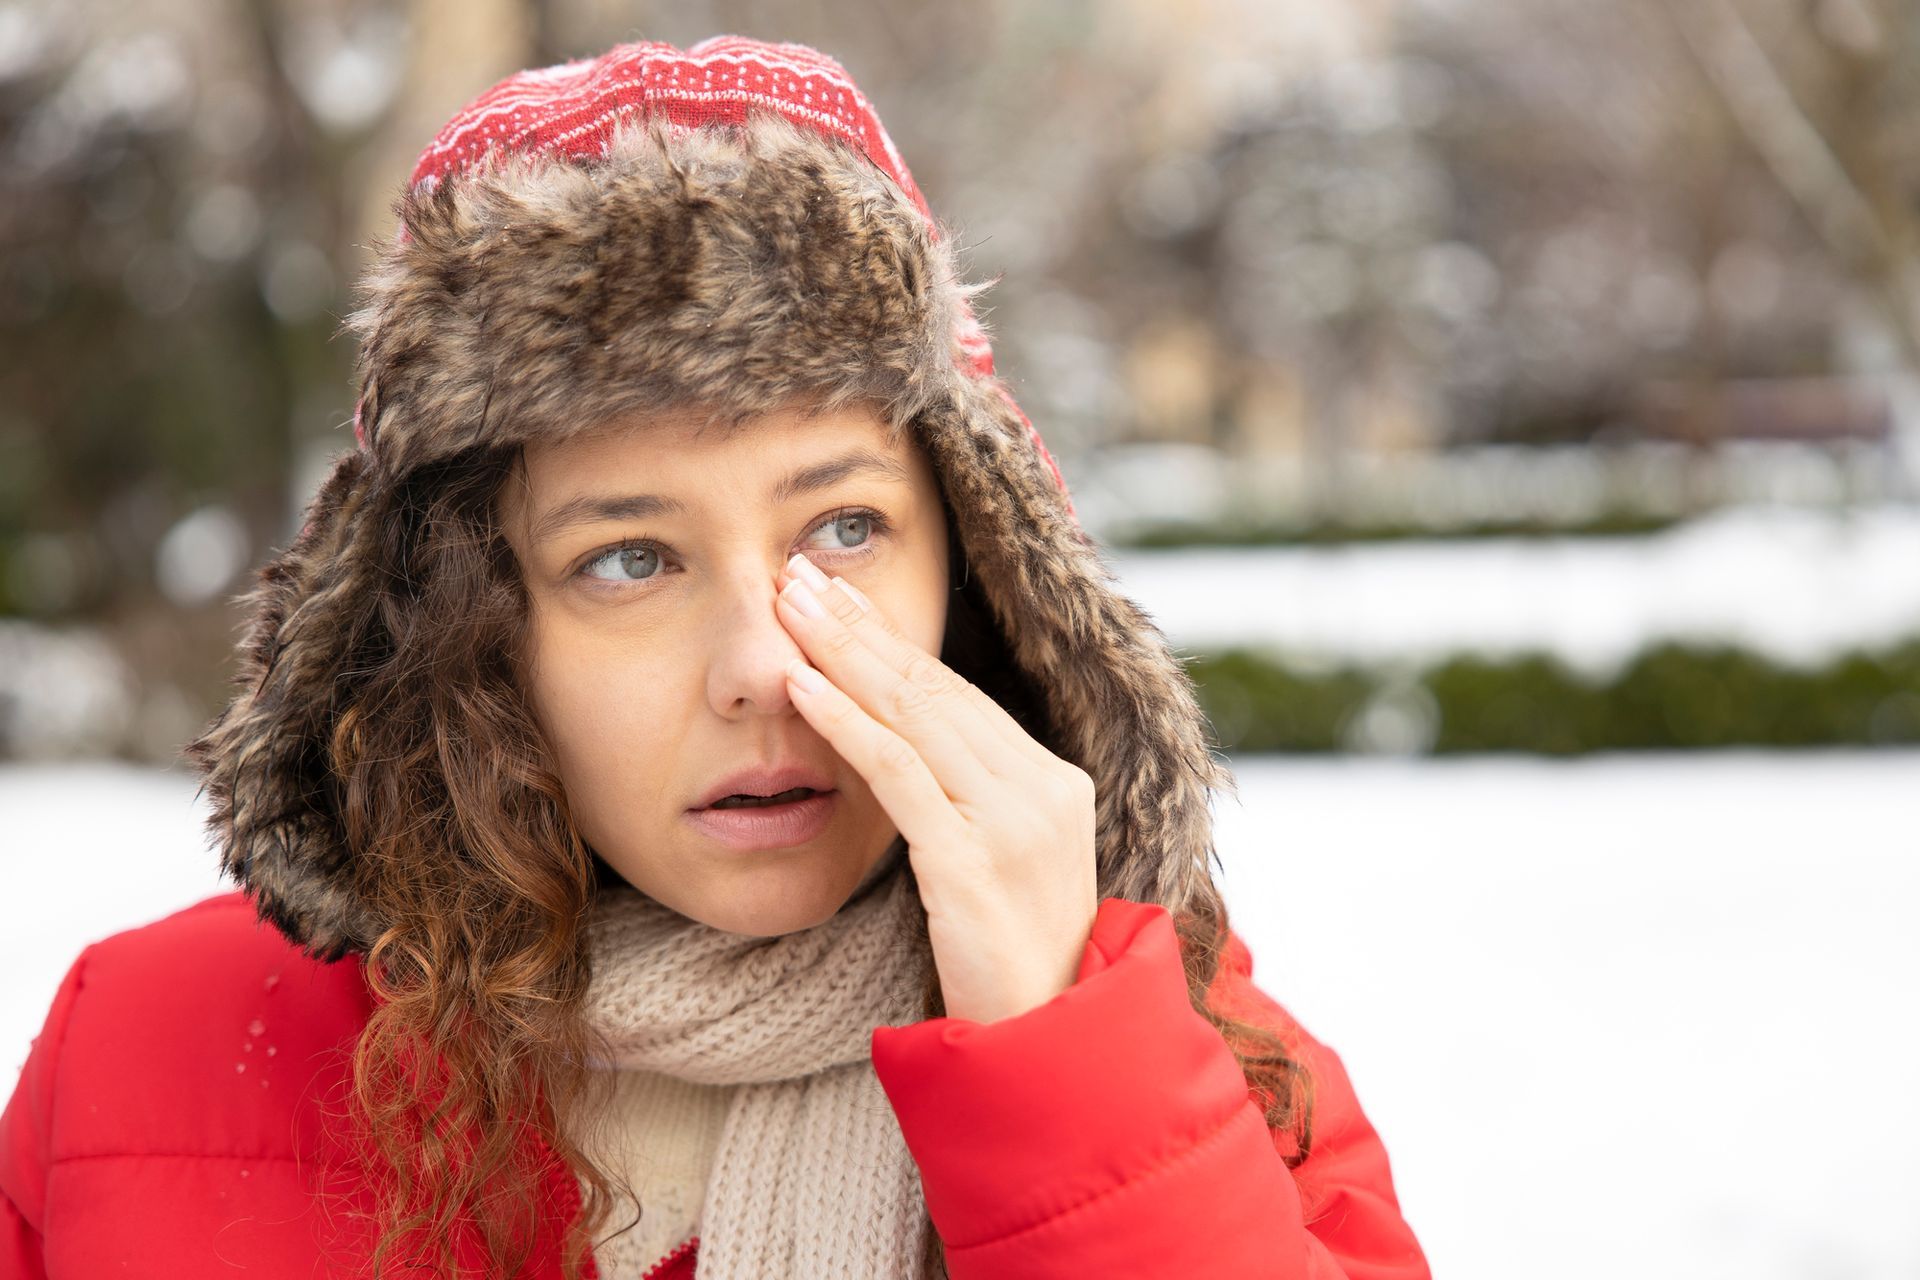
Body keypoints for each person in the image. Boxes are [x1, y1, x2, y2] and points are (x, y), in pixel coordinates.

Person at [0, 34, 1431, 1280]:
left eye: (847, 529)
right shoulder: (144, 1049)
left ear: (984, 577)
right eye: (630, 558)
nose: (761, 666)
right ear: (470, 635)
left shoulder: (1206, 1069)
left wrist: (1065, 1061)